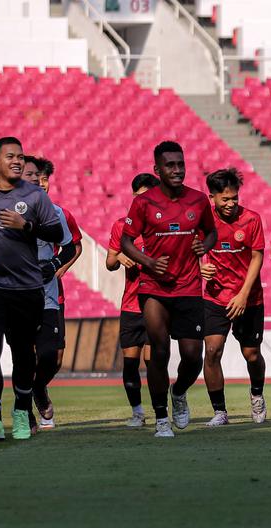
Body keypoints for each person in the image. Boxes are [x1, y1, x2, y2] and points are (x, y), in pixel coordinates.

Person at [0, 136, 63, 441]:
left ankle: (20, 411)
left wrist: (26, 226)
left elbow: (56, 232)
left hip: (27, 287)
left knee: (22, 353)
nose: (17, 161)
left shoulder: (35, 196)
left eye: (20, 156)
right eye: (10, 157)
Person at [120, 141, 218, 438]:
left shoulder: (199, 200)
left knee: (192, 356)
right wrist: (148, 261)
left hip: (189, 286)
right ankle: (162, 418)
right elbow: (126, 241)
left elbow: (211, 232)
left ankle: (178, 392)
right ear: (157, 170)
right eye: (170, 165)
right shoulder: (143, 202)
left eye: (180, 164)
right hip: (154, 287)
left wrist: (206, 245)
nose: (177, 170)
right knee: (159, 351)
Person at [200, 168, 266, 426]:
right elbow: (190, 249)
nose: (231, 204)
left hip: (248, 298)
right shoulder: (203, 222)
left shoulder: (251, 219)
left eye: (234, 198)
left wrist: (242, 295)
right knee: (212, 351)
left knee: (251, 354)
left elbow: (257, 257)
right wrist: (199, 266)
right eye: (225, 199)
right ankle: (220, 411)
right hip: (216, 297)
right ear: (212, 197)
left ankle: (257, 395)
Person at [23, 155, 82, 430]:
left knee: (53, 357)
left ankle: (38, 387)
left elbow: (74, 247)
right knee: (26, 354)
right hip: (18, 292)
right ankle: (26, 412)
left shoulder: (59, 213)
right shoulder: (8, 208)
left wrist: (59, 267)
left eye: (44, 179)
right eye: (36, 177)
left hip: (50, 291)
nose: (41, 183)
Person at [106, 173, 160, 427]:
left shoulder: (162, 228)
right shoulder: (122, 226)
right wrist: (119, 258)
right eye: (138, 197)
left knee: (153, 363)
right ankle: (137, 412)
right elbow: (109, 263)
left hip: (155, 303)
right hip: (131, 304)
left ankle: (161, 411)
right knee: (130, 364)